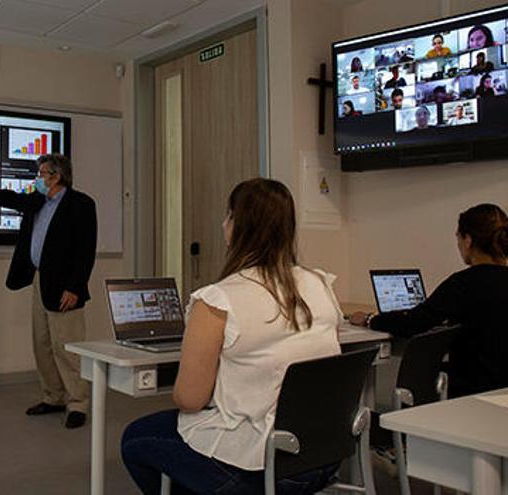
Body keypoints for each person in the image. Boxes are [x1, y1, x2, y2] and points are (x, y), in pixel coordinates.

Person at [120, 178, 342, 494]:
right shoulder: (320, 283)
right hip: (323, 452)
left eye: (228, 216)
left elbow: (189, 399)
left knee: (135, 438)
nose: (223, 223)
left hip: (261, 467)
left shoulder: (217, 300)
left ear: (237, 226)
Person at [0, 154, 97, 429]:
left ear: (56, 176)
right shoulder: (38, 201)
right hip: (40, 281)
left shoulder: (81, 204)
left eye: (41, 174)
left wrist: (75, 288)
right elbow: (7, 198)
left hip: (65, 288)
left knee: (67, 348)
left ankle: (77, 403)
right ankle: (53, 397)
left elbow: (85, 252)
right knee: (42, 344)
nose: (37, 179)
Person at [350, 204, 508, 398]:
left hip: (474, 396)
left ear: (468, 240)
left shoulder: (464, 283)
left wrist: (370, 319)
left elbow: (413, 323)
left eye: (458, 238)